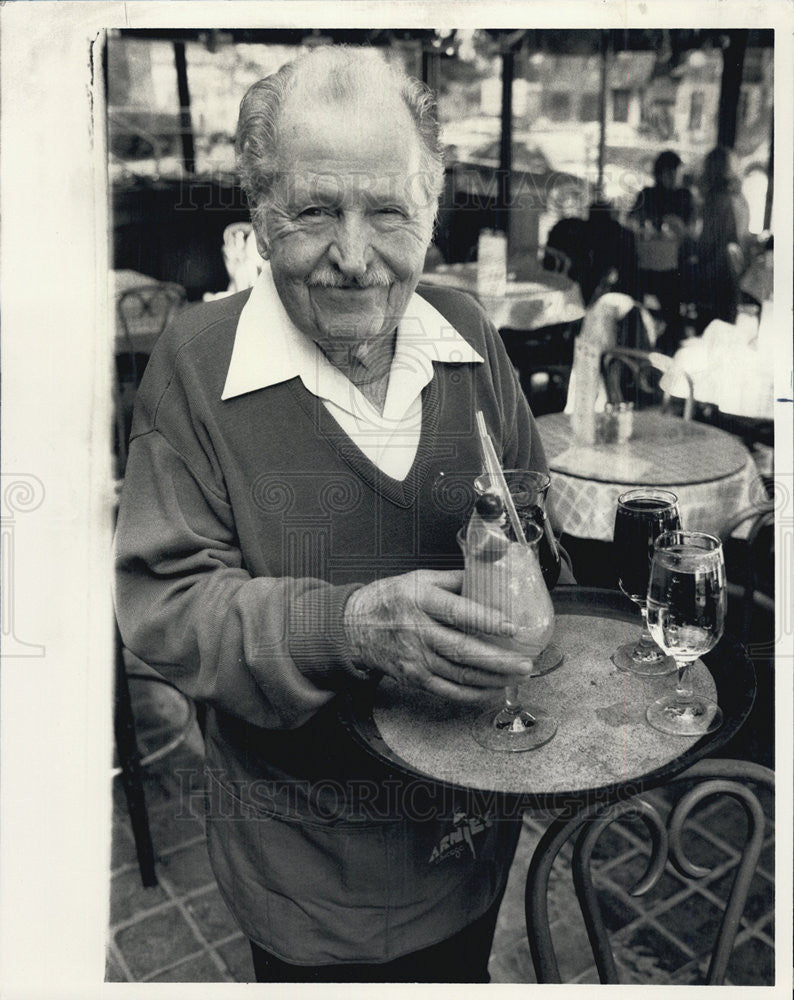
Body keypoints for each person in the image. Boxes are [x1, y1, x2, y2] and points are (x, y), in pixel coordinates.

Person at [114, 46, 574, 984]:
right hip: (310, 879)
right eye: (315, 210)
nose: (355, 259)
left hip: (468, 840)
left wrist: (544, 546)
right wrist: (351, 629)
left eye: (390, 212)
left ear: (434, 209)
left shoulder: (470, 334)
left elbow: (530, 516)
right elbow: (165, 606)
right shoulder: (197, 364)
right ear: (257, 215)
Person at [628, 150, 695, 353]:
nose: (672, 176)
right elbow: (631, 221)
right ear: (659, 173)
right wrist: (643, 225)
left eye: (675, 171)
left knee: (672, 304)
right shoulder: (647, 194)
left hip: (675, 264)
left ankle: (671, 345)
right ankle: (636, 340)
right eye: (668, 172)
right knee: (632, 290)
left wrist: (677, 228)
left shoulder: (684, 196)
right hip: (647, 260)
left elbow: (691, 232)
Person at [683, 145, 751, 331]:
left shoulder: (716, 200)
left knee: (708, 333)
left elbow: (706, 240)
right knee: (725, 331)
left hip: (714, 275)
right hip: (733, 273)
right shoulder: (739, 198)